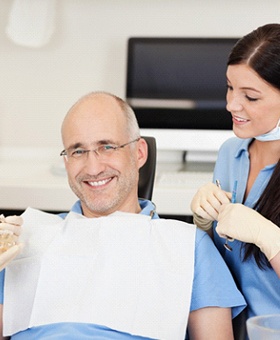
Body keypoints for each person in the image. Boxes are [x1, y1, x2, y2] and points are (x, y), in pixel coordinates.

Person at [0, 91, 245, 340]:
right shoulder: (24, 241)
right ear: (66, 162)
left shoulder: (188, 247)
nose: (93, 168)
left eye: (107, 147)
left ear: (139, 153)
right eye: (78, 151)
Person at [191, 23, 280, 328]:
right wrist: (203, 226)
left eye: (251, 97)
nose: (231, 104)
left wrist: (270, 238)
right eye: (230, 87)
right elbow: (215, 269)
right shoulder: (232, 153)